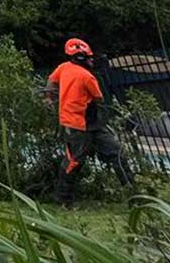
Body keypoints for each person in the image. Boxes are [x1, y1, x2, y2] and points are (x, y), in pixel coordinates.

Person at [46, 38, 133, 206]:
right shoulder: (87, 77)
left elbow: (51, 82)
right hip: (82, 124)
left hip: (81, 123)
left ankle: (62, 199)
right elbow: (99, 98)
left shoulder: (63, 68)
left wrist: (50, 99)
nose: (92, 60)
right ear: (82, 57)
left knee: (75, 159)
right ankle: (132, 193)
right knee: (111, 154)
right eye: (90, 57)